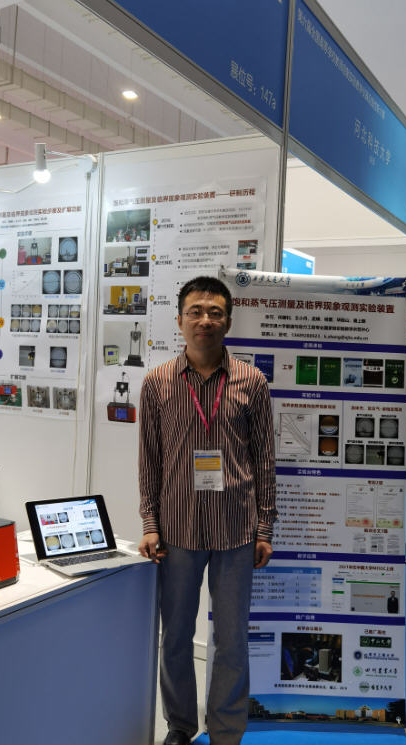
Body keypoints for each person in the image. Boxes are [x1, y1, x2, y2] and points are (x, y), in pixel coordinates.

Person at [138, 275, 277, 745]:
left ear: (228, 322)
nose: (205, 320)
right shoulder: (157, 383)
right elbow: (149, 460)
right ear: (179, 320)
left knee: (232, 640)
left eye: (215, 312)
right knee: (176, 635)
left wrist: (264, 527)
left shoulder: (251, 381)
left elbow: (264, 459)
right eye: (195, 311)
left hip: (236, 531)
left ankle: (226, 731)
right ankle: (180, 726)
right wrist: (150, 523)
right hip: (177, 531)